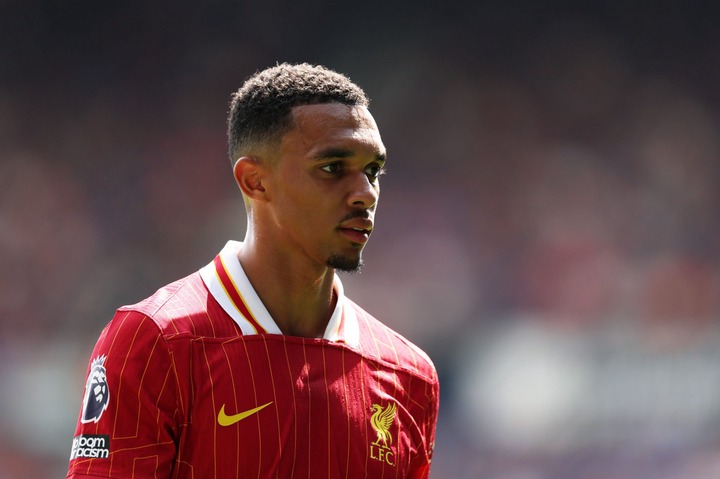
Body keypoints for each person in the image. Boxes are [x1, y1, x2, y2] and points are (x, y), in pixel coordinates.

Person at [67, 63, 439, 479]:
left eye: (373, 171)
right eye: (333, 168)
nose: (365, 194)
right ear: (255, 181)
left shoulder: (408, 375)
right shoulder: (155, 341)